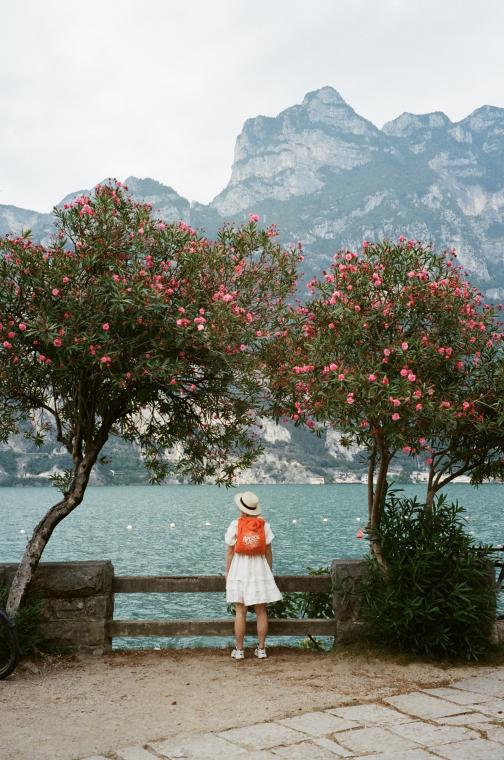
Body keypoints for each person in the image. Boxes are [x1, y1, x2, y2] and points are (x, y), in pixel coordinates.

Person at [225, 490, 282, 660]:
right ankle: (262, 649)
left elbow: (229, 551)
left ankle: (240, 650)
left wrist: (228, 573)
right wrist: (268, 571)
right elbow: (269, 551)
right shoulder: (264, 525)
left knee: (240, 611)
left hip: (239, 569)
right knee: (261, 611)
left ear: (241, 508)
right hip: (260, 569)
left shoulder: (235, 525)